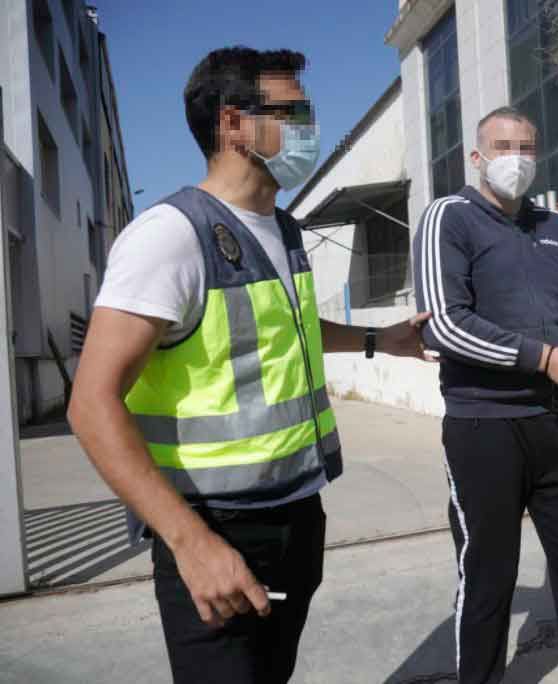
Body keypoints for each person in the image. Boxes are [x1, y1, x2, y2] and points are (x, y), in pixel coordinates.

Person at [68, 47, 429, 684]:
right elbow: (91, 403)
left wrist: (380, 341)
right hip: (215, 527)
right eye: (294, 111)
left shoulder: (283, 231)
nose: (310, 127)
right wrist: (189, 542)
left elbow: (288, 332)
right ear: (234, 124)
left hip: (296, 515)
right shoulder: (172, 235)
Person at [413, 106, 558, 684]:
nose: (518, 159)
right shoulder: (449, 218)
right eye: (504, 147)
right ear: (476, 157)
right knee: (487, 576)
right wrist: (550, 356)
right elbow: (445, 326)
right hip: (484, 427)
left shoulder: (555, 229)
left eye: (528, 148)